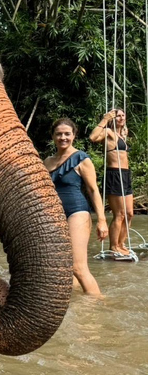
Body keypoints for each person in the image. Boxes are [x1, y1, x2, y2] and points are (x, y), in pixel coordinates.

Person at [45, 118, 108, 294]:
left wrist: (101, 220)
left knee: (78, 267)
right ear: (53, 136)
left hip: (77, 212)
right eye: (58, 134)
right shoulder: (47, 161)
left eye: (67, 134)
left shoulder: (81, 158)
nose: (63, 137)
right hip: (55, 215)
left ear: (74, 135)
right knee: (62, 266)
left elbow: (93, 190)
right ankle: (78, 306)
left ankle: (96, 305)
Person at [90, 108, 133, 256]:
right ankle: (114, 246)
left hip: (126, 174)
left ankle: (121, 244)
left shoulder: (123, 135)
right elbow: (93, 137)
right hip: (114, 174)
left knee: (129, 213)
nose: (120, 118)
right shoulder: (108, 133)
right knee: (119, 214)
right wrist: (105, 119)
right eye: (117, 116)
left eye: (122, 115)